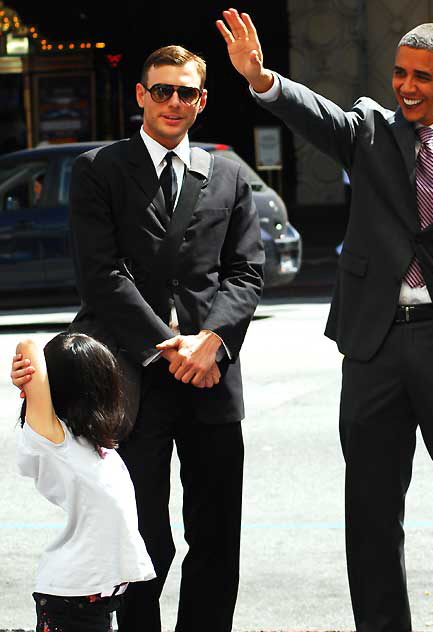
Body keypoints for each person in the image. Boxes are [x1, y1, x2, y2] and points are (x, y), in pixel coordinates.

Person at [216, 10, 433, 632]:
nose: (405, 86)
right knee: (371, 509)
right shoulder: (371, 132)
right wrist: (263, 79)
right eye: (399, 73)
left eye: (421, 77)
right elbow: (315, 113)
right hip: (372, 346)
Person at [68, 45, 264, 631]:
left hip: (211, 377)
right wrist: (167, 345)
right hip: (134, 378)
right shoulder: (99, 169)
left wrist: (212, 342)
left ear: (202, 101)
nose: (173, 102)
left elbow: (245, 272)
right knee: (142, 534)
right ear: (140, 96)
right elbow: (100, 275)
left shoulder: (227, 171)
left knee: (216, 531)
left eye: (186, 92)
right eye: (161, 90)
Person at [10, 334, 155, 632]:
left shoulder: (88, 440)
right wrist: (27, 375)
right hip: (71, 598)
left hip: (94, 597)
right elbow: (28, 345)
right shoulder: (55, 439)